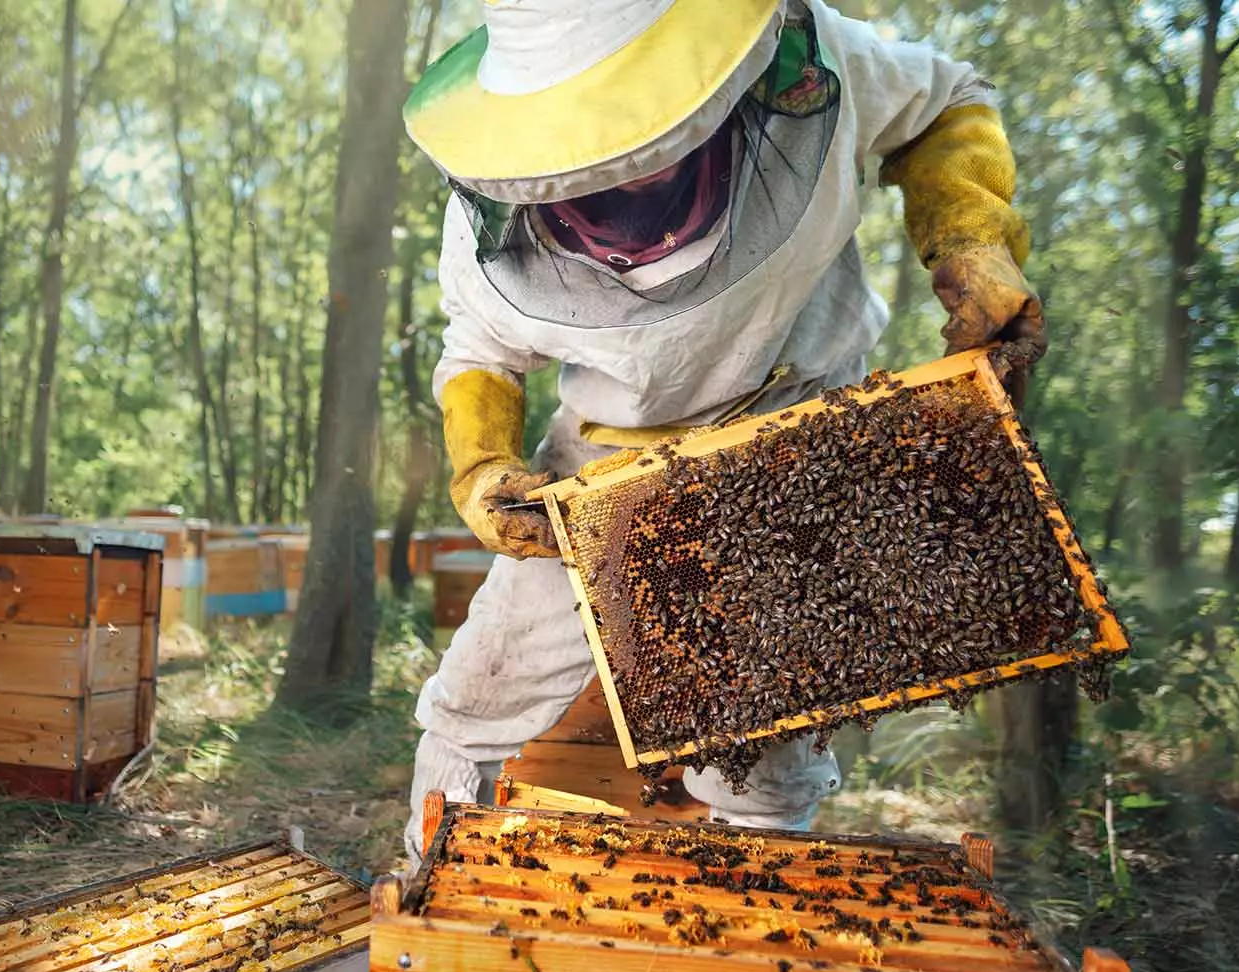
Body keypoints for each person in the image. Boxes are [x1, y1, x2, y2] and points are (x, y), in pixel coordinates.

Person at [400, 0, 1047, 861]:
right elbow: (482, 349)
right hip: (606, 466)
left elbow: (945, 100)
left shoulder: (817, 68)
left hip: (795, 434)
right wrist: (484, 464)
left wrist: (969, 236)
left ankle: (750, 935)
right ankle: (420, 899)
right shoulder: (485, 224)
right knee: (479, 693)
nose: (625, 173)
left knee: (761, 750)